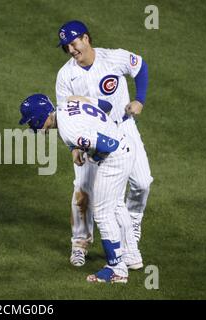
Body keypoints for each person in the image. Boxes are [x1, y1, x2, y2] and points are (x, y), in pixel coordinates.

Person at [55, 20, 153, 266]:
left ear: (86, 38)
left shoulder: (113, 58)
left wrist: (139, 99)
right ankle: (80, 243)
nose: (71, 50)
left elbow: (140, 66)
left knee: (142, 182)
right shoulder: (66, 75)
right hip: (90, 138)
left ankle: (132, 226)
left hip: (123, 127)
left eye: (74, 43)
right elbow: (66, 112)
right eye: (66, 47)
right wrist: (75, 147)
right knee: (83, 189)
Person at [19, 93, 138, 283]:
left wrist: (93, 157)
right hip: (125, 145)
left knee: (102, 213)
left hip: (116, 157)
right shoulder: (69, 103)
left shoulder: (68, 130)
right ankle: (131, 256)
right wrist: (81, 146)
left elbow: (109, 145)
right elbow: (105, 105)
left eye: (31, 121)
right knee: (114, 205)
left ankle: (117, 269)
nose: (31, 126)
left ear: (39, 117)